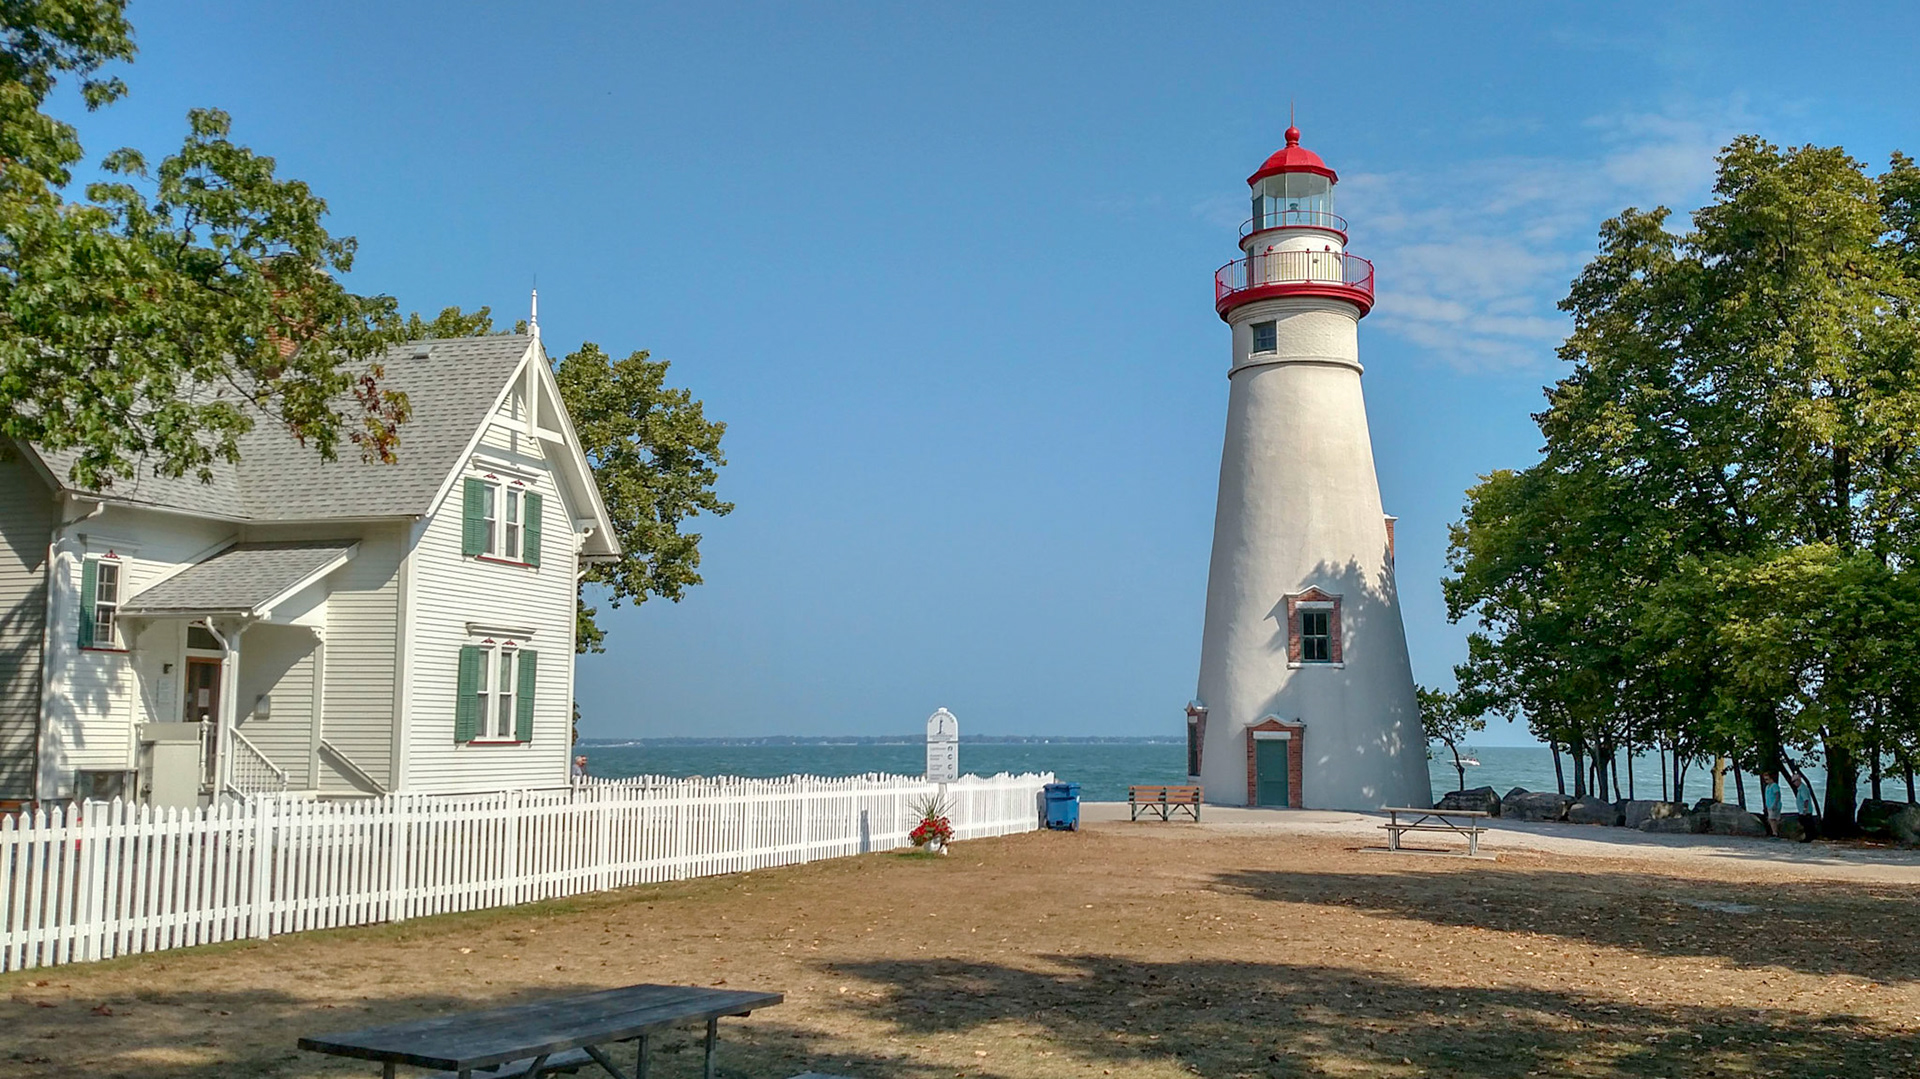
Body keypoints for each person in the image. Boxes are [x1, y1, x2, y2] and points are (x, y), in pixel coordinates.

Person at [1760, 771, 1782, 838]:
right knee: (1772, 819)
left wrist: (1775, 804)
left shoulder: (1774, 785)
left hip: (1774, 805)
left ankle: (1775, 833)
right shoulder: (1767, 787)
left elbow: (1777, 795)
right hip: (1769, 805)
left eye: (1767, 779)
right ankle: (1774, 832)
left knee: (1772, 819)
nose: (1766, 781)